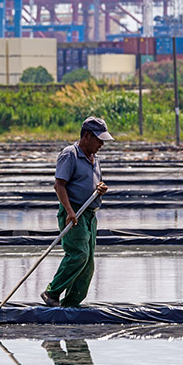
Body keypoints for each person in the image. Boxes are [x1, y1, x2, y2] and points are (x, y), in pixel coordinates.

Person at [41, 116, 111, 307]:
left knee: (87, 262)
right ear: (87, 136)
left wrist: (100, 188)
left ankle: (71, 304)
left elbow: (95, 183)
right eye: (99, 139)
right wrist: (70, 211)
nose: (101, 144)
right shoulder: (69, 154)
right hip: (74, 213)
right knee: (78, 255)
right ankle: (52, 292)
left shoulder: (94, 158)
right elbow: (59, 185)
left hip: (89, 215)